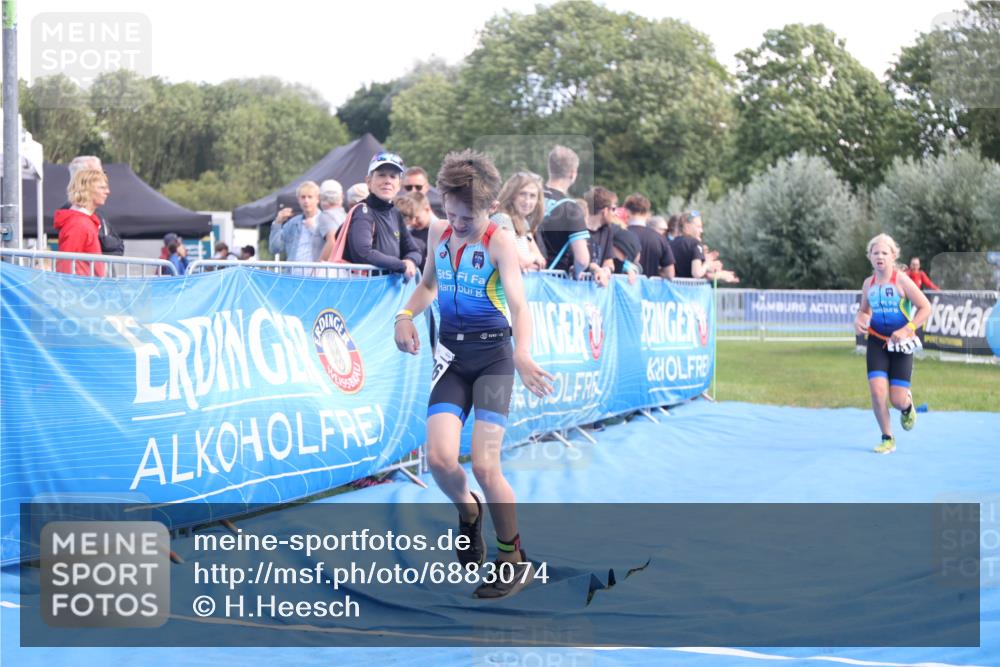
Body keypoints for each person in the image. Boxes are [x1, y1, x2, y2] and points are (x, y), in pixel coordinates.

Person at [394, 149, 554, 599]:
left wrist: (523, 354)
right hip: (451, 360)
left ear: (491, 209)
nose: (457, 223)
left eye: (467, 217)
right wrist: (403, 316)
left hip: (493, 361)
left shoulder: (499, 241)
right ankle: (468, 513)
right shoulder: (439, 234)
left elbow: (520, 305)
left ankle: (512, 558)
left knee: (485, 463)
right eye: (450, 212)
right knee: (442, 461)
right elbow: (428, 285)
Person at [853, 233, 932, 454]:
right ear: (869, 257)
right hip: (877, 343)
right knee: (878, 393)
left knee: (896, 400)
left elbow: (926, 307)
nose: (880, 256)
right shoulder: (868, 284)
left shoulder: (902, 280)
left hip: (900, 346)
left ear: (893, 256)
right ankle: (887, 437)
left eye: (884, 253)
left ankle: (907, 405)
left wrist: (908, 329)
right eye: (875, 253)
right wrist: (858, 319)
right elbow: (863, 311)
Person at [342, 152, 422, 277]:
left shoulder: (394, 213)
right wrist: (401, 266)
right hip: (364, 291)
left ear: (399, 185)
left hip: (387, 292)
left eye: (393, 176)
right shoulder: (363, 212)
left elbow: (414, 250)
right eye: (381, 175)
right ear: (368, 181)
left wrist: (410, 261)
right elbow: (363, 253)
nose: (387, 181)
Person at [537, 145, 591, 278]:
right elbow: (582, 259)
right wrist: (576, 272)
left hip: (522, 279)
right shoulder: (571, 208)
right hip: (552, 282)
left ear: (549, 169)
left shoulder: (528, 197)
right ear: (573, 174)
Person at [62, 156, 124, 257]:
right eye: (97, 173)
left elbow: (119, 247)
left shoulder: (96, 216)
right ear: (85, 182)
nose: (107, 191)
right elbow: (69, 263)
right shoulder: (74, 219)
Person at [54, 168, 109, 277]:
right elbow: (66, 266)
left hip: (87, 288)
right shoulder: (78, 224)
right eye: (102, 187)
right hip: (81, 289)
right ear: (87, 190)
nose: (107, 191)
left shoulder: (84, 221)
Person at [269, 181, 336, 266]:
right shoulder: (293, 223)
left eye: (310, 197)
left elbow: (333, 246)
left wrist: (314, 229)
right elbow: (275, 248)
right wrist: (277, 223)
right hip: (294, 276)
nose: (306, 201)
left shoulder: (327, 220)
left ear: (317, 199)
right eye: (303, 197)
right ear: (298, 200)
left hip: (317, 276)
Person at [490, 172, 547, 271]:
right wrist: (533, 258)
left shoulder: (523, 222)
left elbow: (541, 262)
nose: (527, 201)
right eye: (522, 194)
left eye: (532, 196)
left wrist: (530, 261)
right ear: (512, 195)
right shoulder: (502, 219)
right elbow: (519, 261)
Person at [624, 193, 675, 279]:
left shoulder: (620, 235)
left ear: (627, 212)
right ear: (647, 214)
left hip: (624, 289)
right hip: (650, 290)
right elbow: (670, 273)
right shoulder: (659, 238)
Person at [580, 186, 617, 287]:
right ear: (604, 211)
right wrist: (595, 269)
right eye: (613, 209)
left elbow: (609, 260)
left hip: (595, 291)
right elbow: (576, 260)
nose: (616, 213)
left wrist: (606, 270)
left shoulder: (607, 230)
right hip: (574, 288)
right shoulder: (579, 227)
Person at [393, 190, 433, 267]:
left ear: (427, 209)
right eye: (410, 218)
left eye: (416, 218)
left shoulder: (441, 231)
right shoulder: (410, 232)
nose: (413, 223)